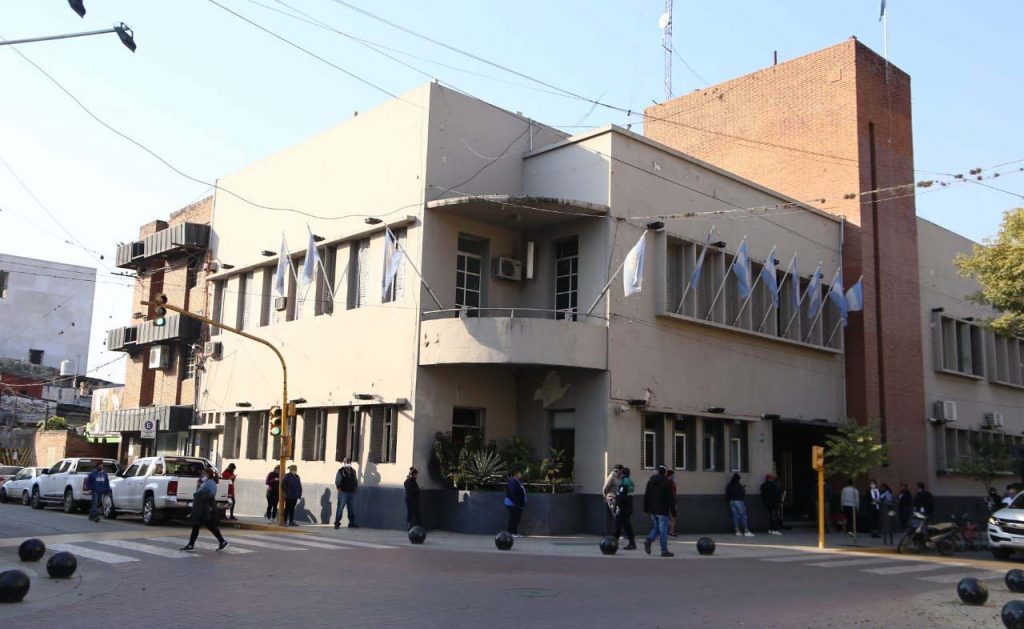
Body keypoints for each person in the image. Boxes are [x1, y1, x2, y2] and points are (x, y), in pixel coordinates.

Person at [180, 467, 228, 552]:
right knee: (198, 526)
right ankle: (191, 545)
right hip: (202, 508)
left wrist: (198, 486)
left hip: (203, 509)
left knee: (207, 526)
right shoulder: (208, 483)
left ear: (208, 474)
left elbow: (197, 494)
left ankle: (222, 541)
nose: (201, 475)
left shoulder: (209, 483)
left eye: (203, 473)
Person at [643, 465, 674, 556]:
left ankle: (649, 540)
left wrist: (645, 508)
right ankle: (664, 550)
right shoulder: (667, 482)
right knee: (663, 530)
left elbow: (646, 495)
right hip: (662, 510)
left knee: (657, 526)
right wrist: (673, 511)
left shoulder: (651, 481)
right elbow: (670, 498)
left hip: (652, 510)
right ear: (665, 472)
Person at [614, 467, 636, 550]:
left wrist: (617, 506)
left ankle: (614, 542)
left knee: (618, 525)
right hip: (628, 506)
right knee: (626, 526)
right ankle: (631, 543)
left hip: (622, 508)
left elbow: (621, 496)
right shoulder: (630, 481)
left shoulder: (623, 481)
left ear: (622, 473)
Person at [334, 457, 359, 529]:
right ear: (344, 463)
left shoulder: (353, 471)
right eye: (347, 462)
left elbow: (355, 480)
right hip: (343, 493)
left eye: (349, 462)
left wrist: (355, 488)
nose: (348, 463)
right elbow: (337, 480)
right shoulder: (341, 471)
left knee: (351, 509)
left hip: (351, 493)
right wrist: (339, 488)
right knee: (340, 508)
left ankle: (351, 523)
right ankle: (337, 522)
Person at [504, 469, 527, 537]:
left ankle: (514, 532)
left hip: (517, 503)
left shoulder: (517, 481)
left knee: (516, 518)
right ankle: (511, 532)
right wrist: (516, 502)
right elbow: (512, 492)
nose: (521, 475)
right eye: (520, 473)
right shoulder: (513, 481)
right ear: (516, 474)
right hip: (513, 503)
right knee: (513, 518)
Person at [602, 464, 623, 533]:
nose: (622, 472)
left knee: (618, 515)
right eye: (621, 471)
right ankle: (613, 533)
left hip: (618, 498)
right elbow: (605, 488)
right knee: (614, 515)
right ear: (617, 470)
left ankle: (616, 532)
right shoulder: (612, 477)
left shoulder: (620, 477)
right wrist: (606, 497)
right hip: (612, 497)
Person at [666, 469, 679, 536]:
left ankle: (671, 531)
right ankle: (671, 531)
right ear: (670, 475)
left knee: (671, 517)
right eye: (673, 475)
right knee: (673, 517)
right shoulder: (671, 483)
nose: (674, 476)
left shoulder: (668, 482)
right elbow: (672, 494)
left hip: (670, 502)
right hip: (671, 502)